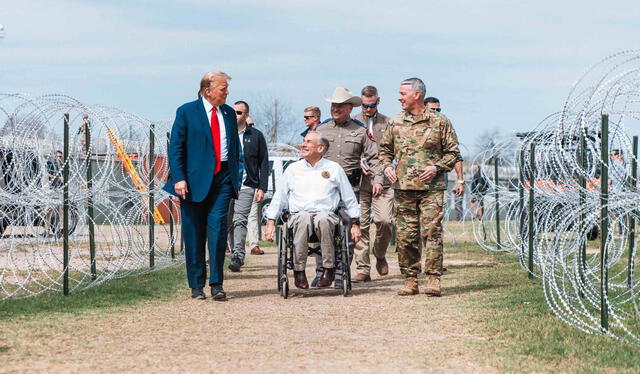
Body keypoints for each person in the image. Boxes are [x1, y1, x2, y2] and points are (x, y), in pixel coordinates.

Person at [164, 71, 241, 301]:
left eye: (226, 88)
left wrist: (236, 173)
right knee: (194, 232)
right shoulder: (187, 111)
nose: (226, 93)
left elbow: (234, 146)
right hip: (193, 182)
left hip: (223, 178)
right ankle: (196, 284)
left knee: (218, 230)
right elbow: (176, 147)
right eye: (223, 88)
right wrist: (179, 177)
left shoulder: (228, 113)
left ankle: (217, 283)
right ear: (208, 90)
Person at [379, 78, 460, 296]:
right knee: (406, 235)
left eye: (403, 93)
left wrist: (437, 167)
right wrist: (387, 166)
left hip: (431, 189)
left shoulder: (440, 122)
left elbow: (453, 154)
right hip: (403, 188)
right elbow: (384, 150)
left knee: (431, 232)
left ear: (417, 94)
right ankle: (410, 279)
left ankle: (433, 279)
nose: (399, 97)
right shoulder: (394, 122)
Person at [264, 131, 361, 289]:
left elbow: (349, 197)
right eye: (303, 141)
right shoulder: (293, 169)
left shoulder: (333, 168)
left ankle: (329, 269)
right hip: (298, 216)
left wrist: (355, 223)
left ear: (321, 148)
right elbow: (279, 197)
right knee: (303, 218)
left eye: (308, 142)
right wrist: (270, 221)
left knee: (323, 218)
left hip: (327, 216)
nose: (303, 144)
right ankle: (299, 271)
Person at [317, 86, 383, 288]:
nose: (335, 109)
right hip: (324, 187)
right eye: (333, 105)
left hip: (351, 187)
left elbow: (374, 157)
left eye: (339, 106)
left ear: (349, 107)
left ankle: (341, 271)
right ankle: (322, 272)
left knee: (349, 229)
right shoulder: (321, 130)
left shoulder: (360, 131)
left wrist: (378, 179)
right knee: (322, 227)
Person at [351, 85, 393, 282]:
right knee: (361, 224)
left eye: (372, 105)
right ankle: (363, 268)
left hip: (382, 181)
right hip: (359, 181)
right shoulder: (353, 123)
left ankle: (380, 253)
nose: (368, 109)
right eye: (365, 106)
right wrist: (359, 160)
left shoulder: (388, 123)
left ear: (378, 101)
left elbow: (393, 150)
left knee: (385, 221)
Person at [227, 100, 269, 272]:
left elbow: (264, 163)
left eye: (238, 112)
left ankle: (238, 256)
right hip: (226, 184)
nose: (235, 115)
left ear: (245, 115)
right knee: (227, 221)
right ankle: (230, 251)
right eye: (233, 112)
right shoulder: (225, 134)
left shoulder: (255, 135)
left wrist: (262, 187)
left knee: (240, 219)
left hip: (246, 184)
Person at [425, 97, 464, 198]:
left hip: (437, 183)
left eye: (438, 110)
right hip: (413, 183)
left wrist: (460, 181)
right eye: (432, 110)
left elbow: (455, 154)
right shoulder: (411, 126)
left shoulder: (444, 126)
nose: (436, 113)